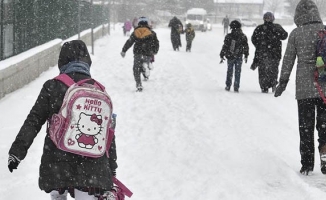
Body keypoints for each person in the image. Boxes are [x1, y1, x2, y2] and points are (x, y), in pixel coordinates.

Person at [7, 40, 118, 199]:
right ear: (87, 61)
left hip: (57, 162)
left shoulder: (52, 86)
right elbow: (108, 134)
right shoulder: (98, 90)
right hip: (92, 167)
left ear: (62, 61)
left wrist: (17, 152)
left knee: (58, 196)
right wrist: (111, 167)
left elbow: (34, 120)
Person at [274, 0, 326, 175]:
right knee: (324, 125)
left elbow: (288, 60)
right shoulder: (324, 30)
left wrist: (282, 82)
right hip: (324, 86)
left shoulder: (296, 33)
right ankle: (325, 152)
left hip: (304, 89)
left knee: (306, 127)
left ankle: (307, 164)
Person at [251, 12, 288, 93]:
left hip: (263, 54)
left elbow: (253, 39)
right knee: (273, 70)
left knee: (263, 71)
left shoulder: (260, 28)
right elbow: (284, 35)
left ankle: (264, 86)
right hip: (275, 53)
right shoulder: (276, 27)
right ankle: (273, 83)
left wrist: (259, 46)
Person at [120, 16, 160, 92]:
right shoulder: (152, 33)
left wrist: (123, 50)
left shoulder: (135, 32)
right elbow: (156, 43)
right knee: (145, 62)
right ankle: (146, 67)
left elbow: (129, 42)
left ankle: (139, 84)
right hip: (148, 53)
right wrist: (154, 51)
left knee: (136, 68)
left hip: (138, 52)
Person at [219, 20, 249, 93]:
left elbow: (225, 46)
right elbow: (246, 46)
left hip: (230, 56)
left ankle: (228, 85)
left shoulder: (229, 36)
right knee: (237, 72)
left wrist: (222, 54)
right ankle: (236, 86)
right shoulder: (243, 36)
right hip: (239, 56)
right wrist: (246, 54)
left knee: (230, 71)